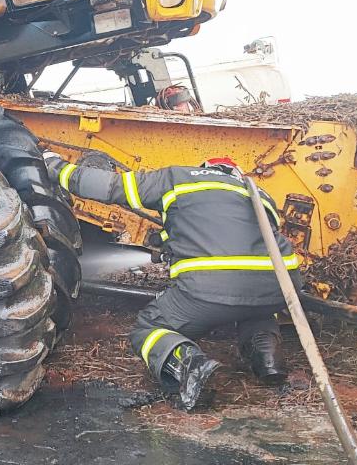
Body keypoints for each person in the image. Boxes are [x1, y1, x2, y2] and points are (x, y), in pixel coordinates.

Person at [44, 153, 298, 409]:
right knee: (257, 307)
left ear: (205, 168)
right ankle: (267, 360)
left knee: (148, 329)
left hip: (210, 286)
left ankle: (191, 366)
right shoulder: (259, 194)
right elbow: (235, 235)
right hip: (280, 285)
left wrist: (57, 167)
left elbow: (111, 186)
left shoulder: (177, 178)